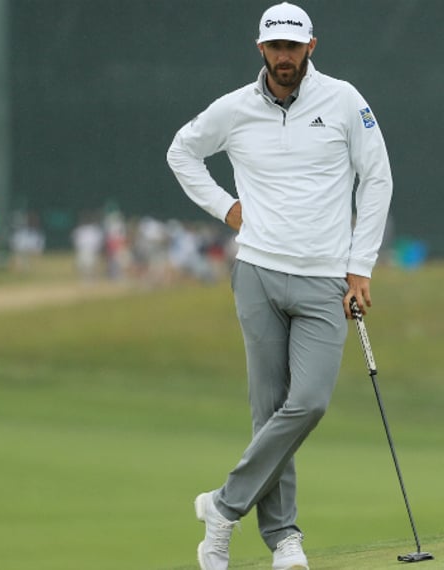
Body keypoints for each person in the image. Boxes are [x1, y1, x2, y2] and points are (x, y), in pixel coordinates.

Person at [165, 3, 394, 570]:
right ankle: (283, 540)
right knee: (267, 411)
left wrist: (360, 266)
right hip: (258, 272)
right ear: (260, 48)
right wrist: (228, 208)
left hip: (324, 278)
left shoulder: (344, 101)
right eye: (276, 47)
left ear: (311, 46)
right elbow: (182, 151)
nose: (285, 56)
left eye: (294, 46)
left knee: (309, 402)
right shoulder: (236, 109)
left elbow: (378, 178)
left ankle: (223, 506)